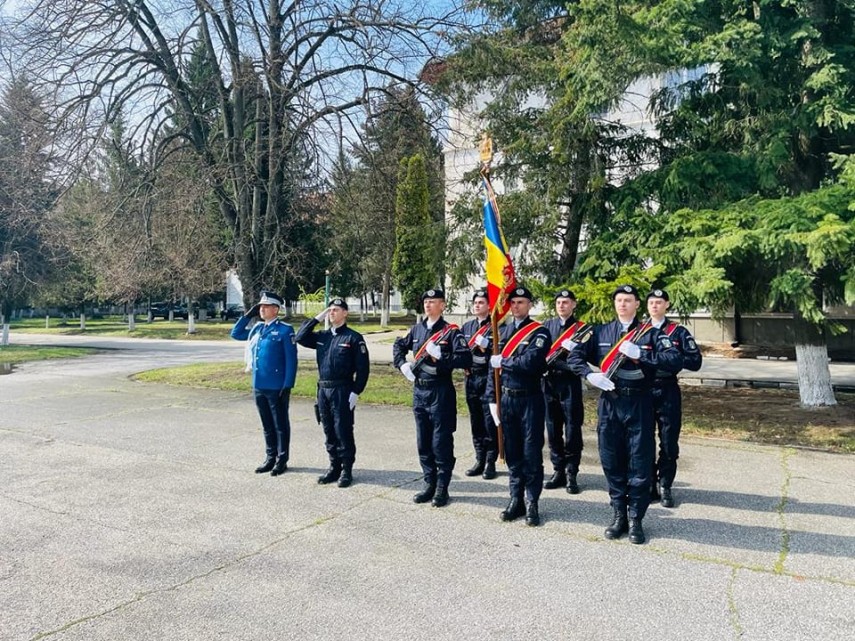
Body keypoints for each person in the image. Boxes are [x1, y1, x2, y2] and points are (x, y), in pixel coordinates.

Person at [568, 284, 682, 544]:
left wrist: (641, 354)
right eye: (619, 300)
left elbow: (674, 359)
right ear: (614, 304)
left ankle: (636, 520)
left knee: (640, 462)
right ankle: (618, 514)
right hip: (610, 402)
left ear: (637, 304)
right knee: (611, 459)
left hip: (640, 402)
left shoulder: (651, 334)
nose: (623, 304)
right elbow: (574, 356)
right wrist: (590, 375)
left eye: (628, 300)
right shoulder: (600, 332)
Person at [392, 289, 471, 508]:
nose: (428, 305)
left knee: (441, 442)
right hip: (420, 391)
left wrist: (442, 356)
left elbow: (466, 358)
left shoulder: (451, 332)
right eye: (426, 301)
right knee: (423, 441)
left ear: (442, 305)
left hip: (440, 392)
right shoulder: (417, 329)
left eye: (433, 301)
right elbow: (399, 345)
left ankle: (442, 488)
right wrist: (402, 364)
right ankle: (429, 483)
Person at [485, 286, 551, 526]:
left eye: (521, 302)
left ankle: (532, 502)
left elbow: (531, 361)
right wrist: (492, 398)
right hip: (507, 399)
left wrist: (505, 361)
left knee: (531, 452)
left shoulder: (539, 332)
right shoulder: (500, 331)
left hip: (530, 399)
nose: (516, 306)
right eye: (513, 302)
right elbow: (492, 372)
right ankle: (516, 499)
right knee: (512, 452)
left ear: (530, 305)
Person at [295, 297, 370, 488]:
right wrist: (317, 318)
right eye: (330, 310)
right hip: (324, 389)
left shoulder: (353, 338)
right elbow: (300, 337)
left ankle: (346, 470)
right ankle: (334, 466)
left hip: (342, 389)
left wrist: (356, 391)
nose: (332, 313)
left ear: (345, 313)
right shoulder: (322, 336)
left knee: (343, 430)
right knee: (328, 429)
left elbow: (363, 369)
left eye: (336, 310)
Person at [230, 291, 298, 476]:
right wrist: (247, 316)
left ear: (276, 309)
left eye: (266, 306)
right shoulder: (257, 329)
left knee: (280, 424)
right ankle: (270, 457)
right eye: (260, 307)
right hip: (259, 385)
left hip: (277, 386)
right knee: (267, 424)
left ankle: (282, 459)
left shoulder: (285, 330)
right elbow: (235, 334)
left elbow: (291, 360)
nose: (262, 309)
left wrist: (288, 384)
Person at [646, 288, 703, 507]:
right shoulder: (639, 330)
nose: (655, 306)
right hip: (645, 389)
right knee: (644, 441)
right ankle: (650, 484)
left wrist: (672, 360)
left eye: (659, 302)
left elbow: (695, 362)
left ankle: (666, 484)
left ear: (667, 305)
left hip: (668, 389)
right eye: (651, 302)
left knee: (669, 442)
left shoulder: (678, 332)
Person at [542, 289, 587, 494]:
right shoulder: (546, 326)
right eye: (559, 302)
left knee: (572, 429)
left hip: (570, 384)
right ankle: (558, 470)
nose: (562, 305)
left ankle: (571, 473)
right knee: (552, 428)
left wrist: (568, 358)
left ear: (574, 305)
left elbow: (581, 360)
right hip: (548, 383)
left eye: (566, 302)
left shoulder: (582, 330)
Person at [460, 289, 499, 480]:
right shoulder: (466, 327)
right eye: (475, 302)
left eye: (481, 302)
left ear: (489, 306)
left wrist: (489, 346)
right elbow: (459, 351)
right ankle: (479, 458)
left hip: (488, 378)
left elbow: (501, 354)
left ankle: (491, 461)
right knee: (475, 420)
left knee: (489, 421)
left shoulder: (496, 327)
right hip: (471, 378)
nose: (477, 305)